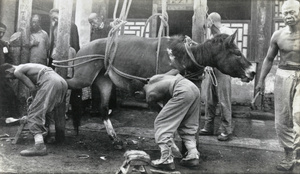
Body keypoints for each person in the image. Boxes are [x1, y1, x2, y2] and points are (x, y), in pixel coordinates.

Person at [256, 0, 300, 171]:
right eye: (285, 13)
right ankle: (290, 155)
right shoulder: (278, 35)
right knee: (282, 120)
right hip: (283, 75)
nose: (289, 16)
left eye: (292, 12)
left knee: (298, 114)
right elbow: (268, 59)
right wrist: (261, 81)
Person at [0, 63, 68, 156]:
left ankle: (39, 146)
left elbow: (32, 88)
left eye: (9, 77)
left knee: (34, 113)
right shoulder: (26, 66)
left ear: (8, 71)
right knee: (48, 109)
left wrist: (33, 100)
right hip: (61, 81)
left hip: (50, 81)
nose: (12, 79)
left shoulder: (17, 71)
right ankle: (52, 135)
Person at [143, 69, 200, 171]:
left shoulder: (149, 94)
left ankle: (166, 160)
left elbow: (162, 114)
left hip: (181, 90)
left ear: (138, 93)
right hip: (193, 88)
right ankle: (193, 155)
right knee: (188, 124)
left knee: (161, 123)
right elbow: (175, 71)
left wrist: (169, 125)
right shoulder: (155, 78)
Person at [199, 12, 234, 141]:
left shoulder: (227, 32)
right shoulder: (209, 34)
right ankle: (208, 126)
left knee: (224, 100)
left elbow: (226, 52)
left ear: (211, 21)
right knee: (209, 100)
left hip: (223, 70)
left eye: (207, 21)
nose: (206, 24)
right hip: (210, 69)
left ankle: (226, 129)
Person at [48, 8, 82, 121]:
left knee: (67, 82)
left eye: (56, 16)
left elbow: (75, 43)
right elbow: (53, 42)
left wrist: (75, 58)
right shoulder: (54, 27)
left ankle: (64, 110)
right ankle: (55, 109)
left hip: (69, 55)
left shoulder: (72, 25)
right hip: (56, 56)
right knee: (56, 82)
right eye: (53, 18)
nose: (55, 19)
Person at [88, 13, 115, 115]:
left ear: (99, 19)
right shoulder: (94, 32)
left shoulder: (109, 28)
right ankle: (96, 107)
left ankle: (110, 108)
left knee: (109, 83)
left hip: (108, 61)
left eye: (93, 22)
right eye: (90, 23)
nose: (92, 25)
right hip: (96, 61)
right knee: (96, 83)